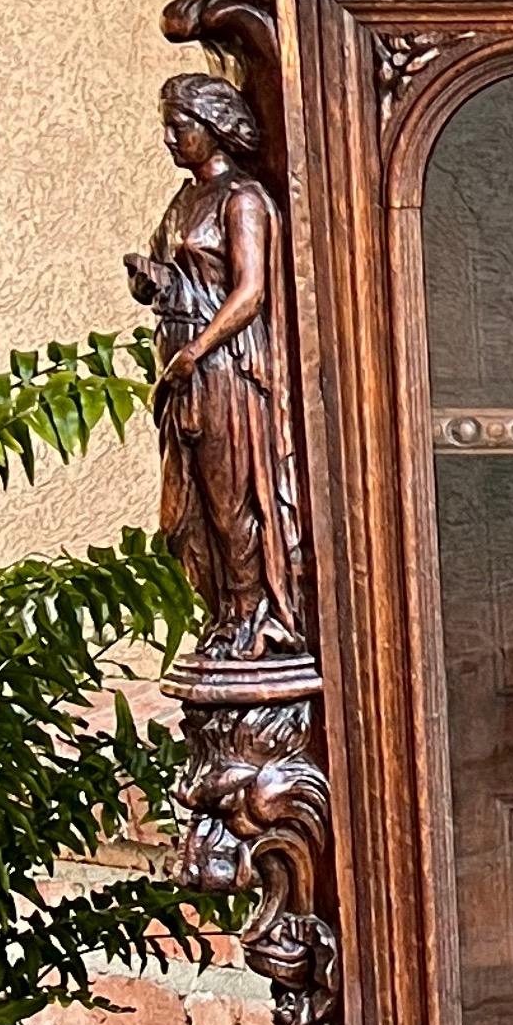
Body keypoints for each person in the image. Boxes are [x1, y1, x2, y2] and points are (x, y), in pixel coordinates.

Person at [128, 74, 307, 662]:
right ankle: (222, 615)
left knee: (232, 500)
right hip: (181, 363)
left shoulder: (243, 199)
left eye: (179, 126)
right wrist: (151, 283)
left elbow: (250, 291)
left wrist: (198, 351)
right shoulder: (183, 201)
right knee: (191, 510)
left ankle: (252, 617)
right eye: (167, 126)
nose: (168, 138)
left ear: (214, 128)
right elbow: (178, 275)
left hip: (227, 369)